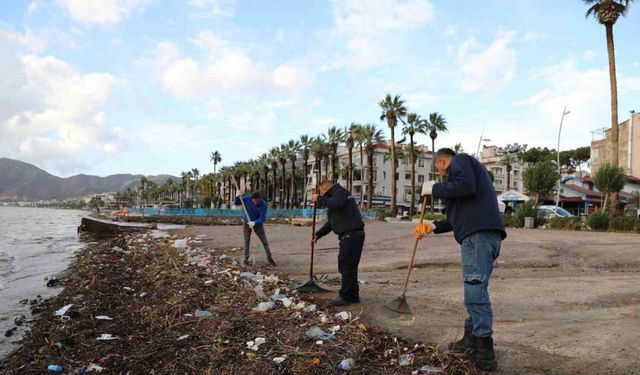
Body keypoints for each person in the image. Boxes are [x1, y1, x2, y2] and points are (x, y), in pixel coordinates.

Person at [415, 148, 506, 372]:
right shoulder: (463, 181)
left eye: (438, 168)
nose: (439, 173)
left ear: (443, 161)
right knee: (474, 290)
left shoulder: (462, 162)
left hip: (479, 237)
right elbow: (457, 216)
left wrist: (434, 188)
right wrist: (434, 226)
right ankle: (471, 339)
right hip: (479, 234)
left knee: (475, 291)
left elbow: (466, 187)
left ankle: (484, 351)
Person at [312, 180, 365, 307]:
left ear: (324, 189)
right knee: (350, 267)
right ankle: (353, 295)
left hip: (351, 236)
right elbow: (331, 222)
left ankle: (346, 296)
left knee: (346, 266)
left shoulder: (339, 192)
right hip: (350, 236)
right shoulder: (335, 197)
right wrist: (318, 234)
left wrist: (318, 198)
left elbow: (337, 203)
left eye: (321, 192)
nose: (321, 195)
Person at [234, 191, 276, 267]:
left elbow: (262, 218)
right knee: (246, 241)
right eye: (254, 201)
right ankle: (246, 258)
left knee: (264, 241)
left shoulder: (263, 204)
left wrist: (254, 222)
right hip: (246, 223)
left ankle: (269, 258)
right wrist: (237, 196)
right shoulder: (247, 199)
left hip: (258, 225)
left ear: (259, 199)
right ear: (251, 198)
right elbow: (237, 202)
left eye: (257, 201)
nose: (255, 202)